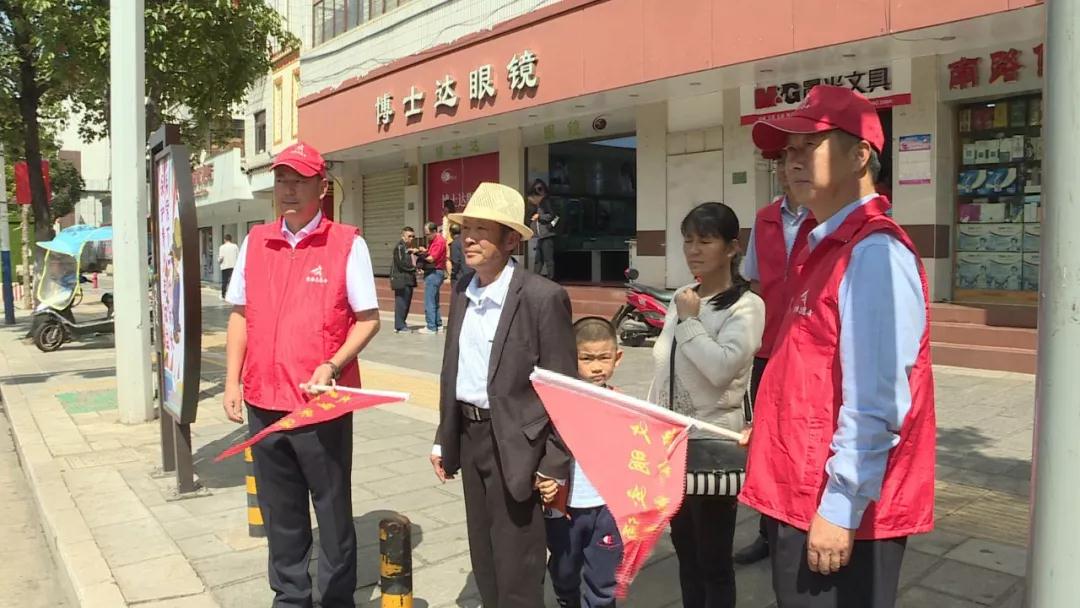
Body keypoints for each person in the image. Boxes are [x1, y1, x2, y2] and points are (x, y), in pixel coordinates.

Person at [740, 85, 936, 608]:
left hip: (833, 508)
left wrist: (841, 505)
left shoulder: (873, 252)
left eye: (811, 145)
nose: (792, 161)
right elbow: (811, 371)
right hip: (802, 487)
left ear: (860, 155)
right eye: (788, 151)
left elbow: (878, 399)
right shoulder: (824, 243)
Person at [222, 141, 381, 608]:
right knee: (280, 512)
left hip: (320, 404)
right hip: (263, 400)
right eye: (281, 180)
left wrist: (332, 365)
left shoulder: (346, 243)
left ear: (321, 187)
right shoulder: (256, 242)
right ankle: (290, 597)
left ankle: (335, 599)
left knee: (331, 512)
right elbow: (240, 315)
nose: (288, 190)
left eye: (299, 181)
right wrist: (232, 381)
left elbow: (368, 319)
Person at [429, 182, 577, 608]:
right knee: (484, 555)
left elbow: (565, 390)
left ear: (511, 240)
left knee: (518, 563)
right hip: (470, 435)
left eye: (482, 230)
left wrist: (554, 464)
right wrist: (443, 437)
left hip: (517, 443)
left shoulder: (542, 297)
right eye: (466, 229)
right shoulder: (463, 289)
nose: (469, 239)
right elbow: (454, 369)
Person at [648, 202, 764, 608]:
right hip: (672, 446)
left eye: (705, 241)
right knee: (685, 554)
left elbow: (720, 369)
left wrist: (690, 321)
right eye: (688, 240)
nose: (693, 250)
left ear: (732, 247)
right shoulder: (684, 297)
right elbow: (663, 368)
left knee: (714, 561)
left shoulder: (746, 305)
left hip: (712, 447)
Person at [733, 152, 817, 566]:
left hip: (810, 349)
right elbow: (753, 282)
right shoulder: (765, 218)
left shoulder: (824, 217)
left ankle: (808, 526)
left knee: (806, 441)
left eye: (796, 159)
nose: (787, 169)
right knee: (764, 441)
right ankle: (768, 533)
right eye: (782, 162)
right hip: (767, 349)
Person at [544, 316, 625, 608]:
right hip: (564, 508)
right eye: (587, 358)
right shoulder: (556, 400)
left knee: (604, 580)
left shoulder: (623, 404)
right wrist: (542, 479)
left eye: (604, 358)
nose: (597, 367)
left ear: (617, 358)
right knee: (565, 570)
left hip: (607, 509)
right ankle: (567, 599)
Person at [419, 221, 448, 334]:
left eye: (428, 234)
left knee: (429, 301)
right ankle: (438, 324)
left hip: (434, 272)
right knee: (434, 300)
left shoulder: (439, 241)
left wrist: (419, 254)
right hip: (435, 272)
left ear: (434, 231)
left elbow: (431, 258)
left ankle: (431, 326)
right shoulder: (434, 241)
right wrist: (424, 251)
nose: (427, 236)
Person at [390, 226, 419, 334]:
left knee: (406, 302)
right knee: (401, 303)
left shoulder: (408, 248)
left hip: (408, 279)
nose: (411, 238)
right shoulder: (400, 247)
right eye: (409, 236)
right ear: (403, 236)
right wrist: (414, 269)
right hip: (401, 279)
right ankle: (399, 326)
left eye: (413, 236)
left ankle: (402, 324)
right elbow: (401, 263)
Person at [527, 178, 557, 279]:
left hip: (547, 236)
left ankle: (551, 277)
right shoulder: (537, 205)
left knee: (548, 259)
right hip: (540, 236)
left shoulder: (546, 203)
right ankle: (535, 277)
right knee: (538, 259)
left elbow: (553, 216)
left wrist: (540, 218)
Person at [218, 234, 240, 299]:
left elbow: (221, 258)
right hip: (233, 266)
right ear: (231, 239)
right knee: (233, 281)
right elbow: (238, 256)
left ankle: (223, 295)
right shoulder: (235, 246)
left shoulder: (222, 247)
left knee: (224, 281)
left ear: (225, 239)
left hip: (225, 266)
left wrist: (218, 260)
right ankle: (233, 295)